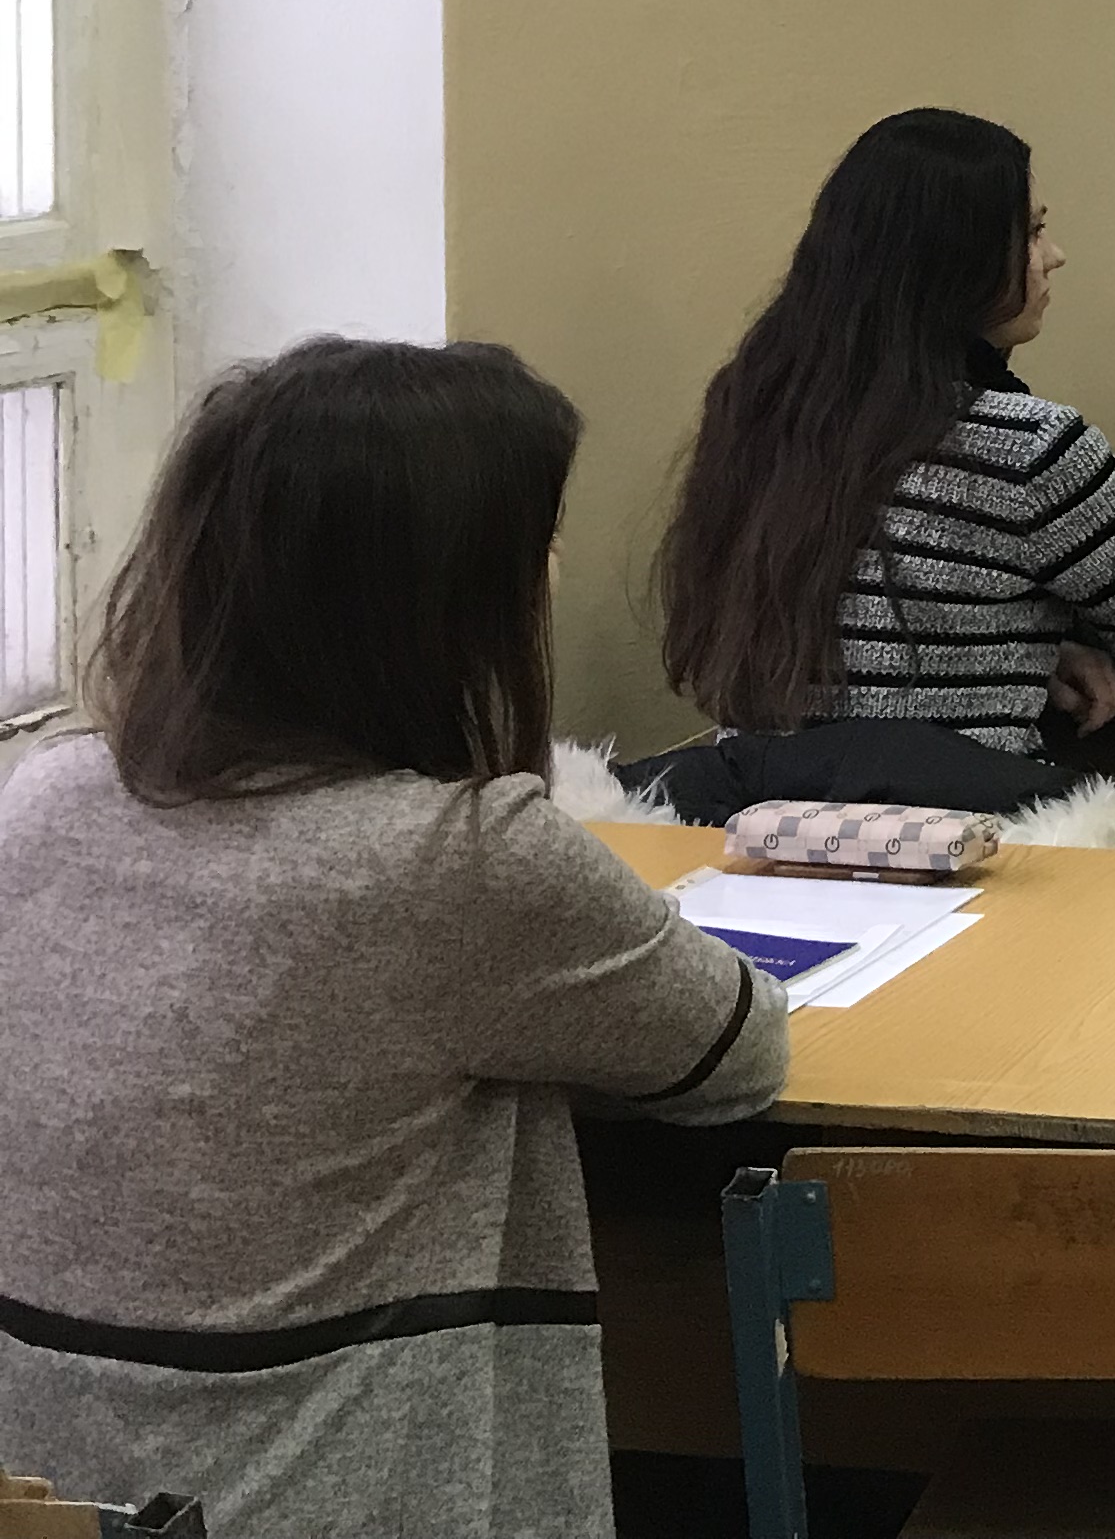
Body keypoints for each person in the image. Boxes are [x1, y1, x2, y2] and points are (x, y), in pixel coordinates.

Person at [0, 338, 788, 1539]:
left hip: (50, 1480)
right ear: (442, 598)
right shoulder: (463, 859)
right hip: (327, 1491)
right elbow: (737, 1053)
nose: (554, 574)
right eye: (535, 545)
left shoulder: (47, 793)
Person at [643, 107, 1115, 819]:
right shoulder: (1032, 445)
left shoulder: (755, 413)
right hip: (961, 836)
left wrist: (1030, 646)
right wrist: (1053, 638)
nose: (1055, 256)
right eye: (1033, 232)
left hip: (759, 834)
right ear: (959, 262)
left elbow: (860, 653)